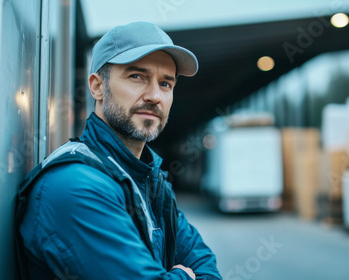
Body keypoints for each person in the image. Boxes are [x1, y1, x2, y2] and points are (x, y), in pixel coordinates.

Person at [16, 21, 221, 280]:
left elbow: (207, 266)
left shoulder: (152, 182)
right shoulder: (74, 186)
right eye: (137, 76)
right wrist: (185, 276)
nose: (154, 96)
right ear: (97, 86)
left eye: (166, 84)